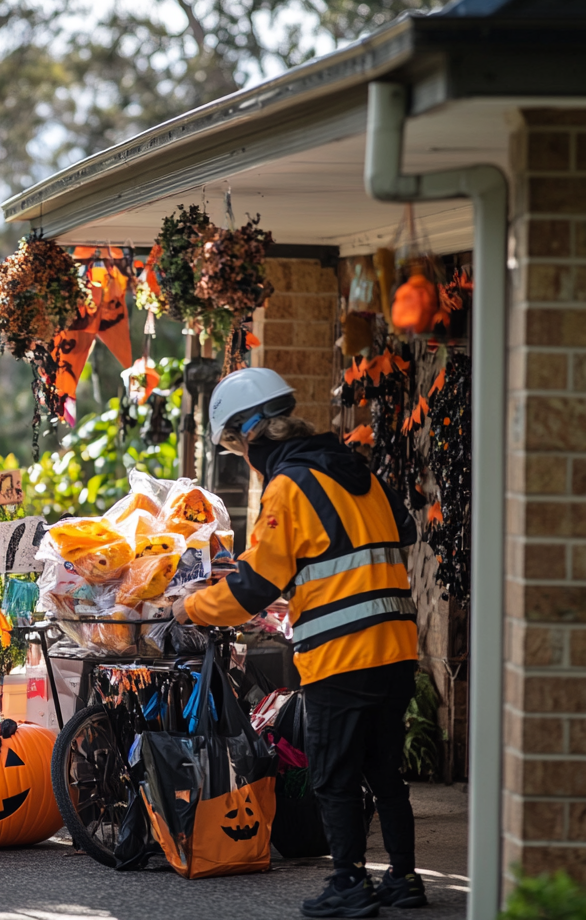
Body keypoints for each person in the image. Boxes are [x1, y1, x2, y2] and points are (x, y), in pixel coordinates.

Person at [172, 367, 426, 918]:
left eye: (237, 445)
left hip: (342, 653)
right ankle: (404, 879)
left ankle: (349, 884)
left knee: (333, 773)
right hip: (397, 645)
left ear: (251, 434)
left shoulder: (289, 487)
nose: (241, 456)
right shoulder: (354, 469)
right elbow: (398, 532)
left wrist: (188, 606)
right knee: (383, 769)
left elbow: (251, 587)